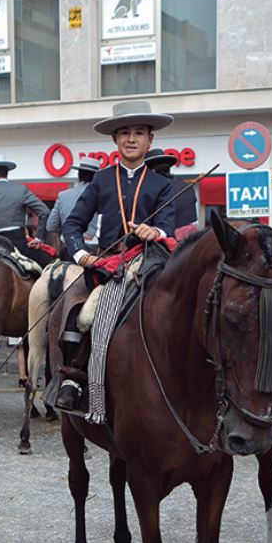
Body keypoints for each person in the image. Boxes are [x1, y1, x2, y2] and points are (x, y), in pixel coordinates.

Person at [53, 99, 176, 413]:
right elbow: (72, 223)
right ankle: (74, 377)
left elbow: (167, 228)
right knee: (84, 314)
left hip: (152, 262)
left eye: (138, 133)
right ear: (114, 140)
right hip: (110, 267)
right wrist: (80, 254)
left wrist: (155, 233)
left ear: (151, 140)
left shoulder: (162, 184)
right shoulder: (101, 180)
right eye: (124, 133)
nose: (131, 138)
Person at [0, 154, 52, 266]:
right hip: (18, 244)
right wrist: (39, 238)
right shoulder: (20, 190)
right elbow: (44, 212)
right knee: (51, 264)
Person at [44, 157, 101, 251]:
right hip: (94, 248)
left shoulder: (63, 195)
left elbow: (51, 226)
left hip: (68, 245)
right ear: (96, 177)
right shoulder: (103, 196)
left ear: (79, 175)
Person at [144, 148, 198, 238]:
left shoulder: (156, 188)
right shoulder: (184, 184)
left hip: (171, 240)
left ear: (152, 171)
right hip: (193, 238)